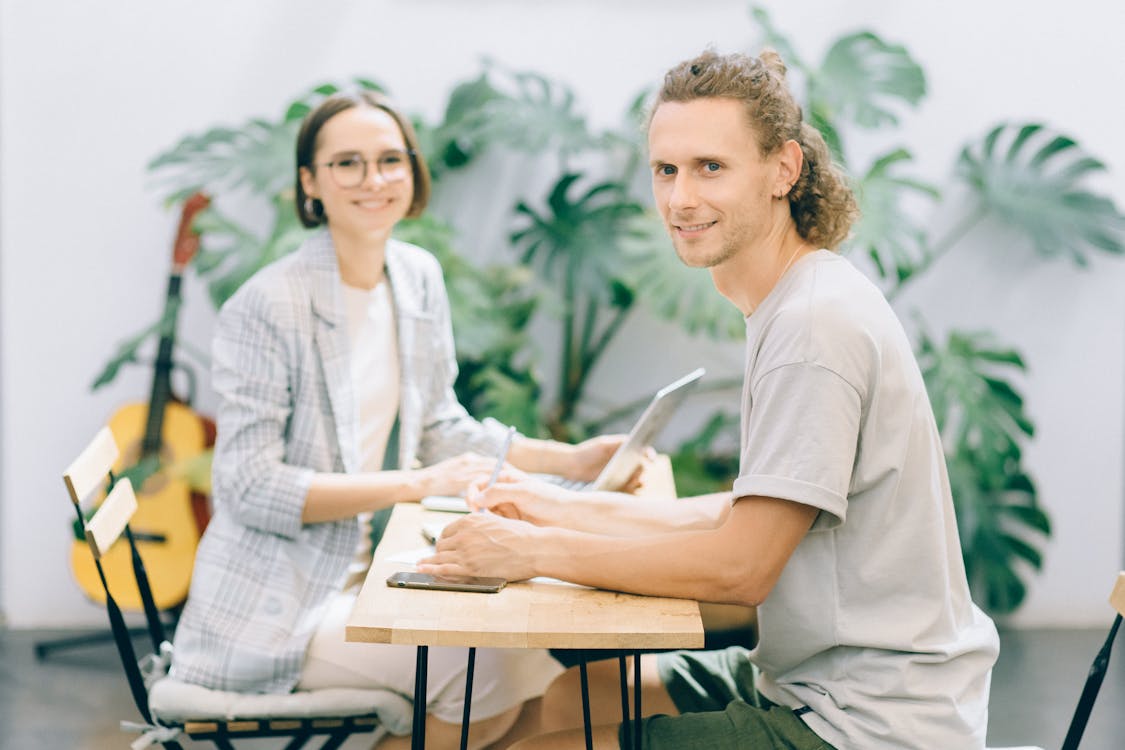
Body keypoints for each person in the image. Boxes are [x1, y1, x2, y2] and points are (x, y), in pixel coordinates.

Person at [419, 49, 1001, 750]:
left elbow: (739, 568)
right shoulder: (796, 296)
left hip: (867, 723)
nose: (680, 198)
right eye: (666, 170)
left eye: (710, 167)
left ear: (783, 169)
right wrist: (554, 505)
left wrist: (532, 549)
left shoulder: (811, 327)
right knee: (574, 694)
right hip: (822, 682)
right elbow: (740, 516)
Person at [168, 90, 621, 750]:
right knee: (488, 673)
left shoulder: (414, 277)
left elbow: (439, 425)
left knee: (527, 671)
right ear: (309, 183)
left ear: (412, 173)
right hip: (280, 605)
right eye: (347, 163)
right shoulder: (266, 306)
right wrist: (413, 484)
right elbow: (249, 486)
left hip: (372, 574)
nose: (373, 180)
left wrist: (566, 460)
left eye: (389, 160)